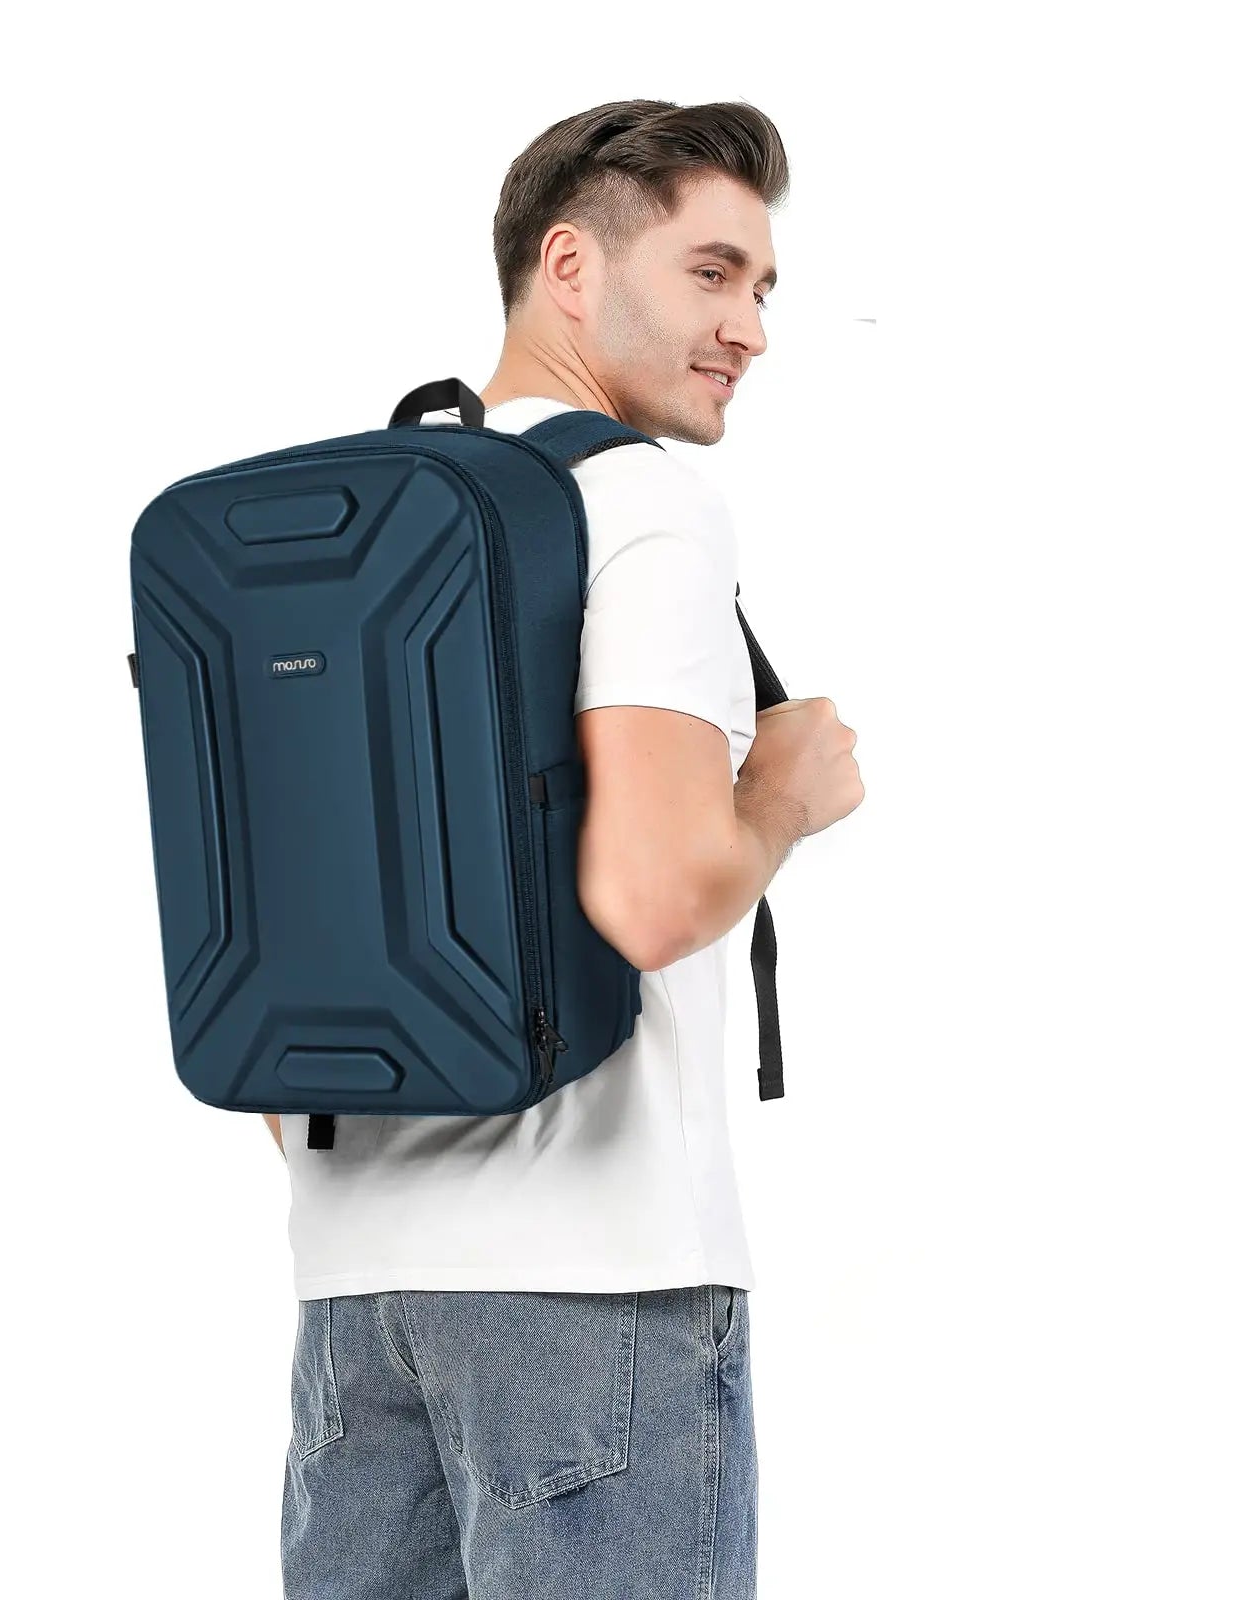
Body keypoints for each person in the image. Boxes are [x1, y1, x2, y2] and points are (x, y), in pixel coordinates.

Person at [272, 98, 863, 1599]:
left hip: (357, 1304)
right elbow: (653, 896)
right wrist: (783, 794)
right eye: (712, 273)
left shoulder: (343, 527)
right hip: (598, 1290)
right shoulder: (638, 505)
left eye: (765, 289)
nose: (751, 330)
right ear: (570, 266)